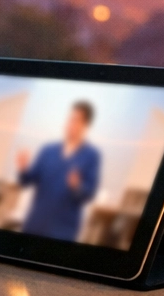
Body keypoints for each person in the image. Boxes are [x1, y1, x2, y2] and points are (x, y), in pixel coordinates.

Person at [16, 100, 101, 241]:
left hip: (62, 233)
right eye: (70, 119)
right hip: (34, 226)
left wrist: (77, 186)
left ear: (85, 125)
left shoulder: (91, 156)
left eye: (76, 120)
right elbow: (27, 181)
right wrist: (23, 169)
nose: (70, 124)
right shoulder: (48, 150)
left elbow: (89, 193)